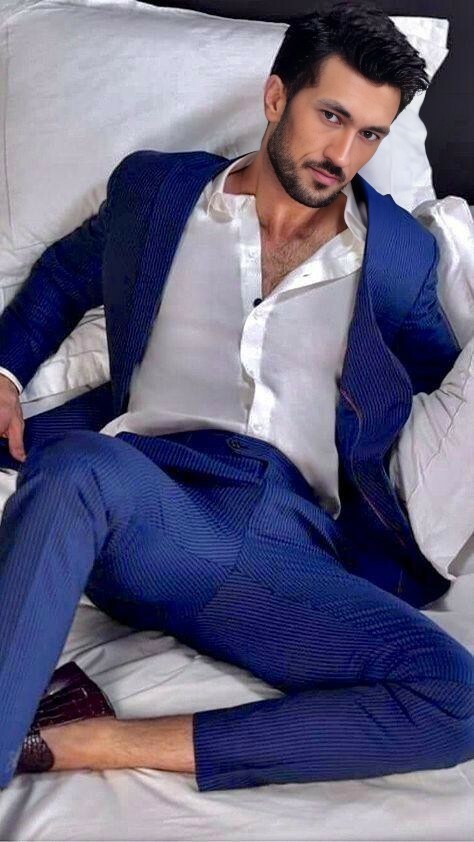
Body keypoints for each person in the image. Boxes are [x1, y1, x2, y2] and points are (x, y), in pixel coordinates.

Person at [0, 3, 472, 792]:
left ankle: (89, 743)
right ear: (276, 97)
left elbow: (443, 388)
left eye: (370, 135)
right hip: (146, 501)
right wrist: (6, 373)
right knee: (78, 467)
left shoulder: (399, 257)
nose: (343, 155)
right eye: (331, 117)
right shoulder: (156, 192)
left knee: (458, 698)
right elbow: (61, 278)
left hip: (286, 546)